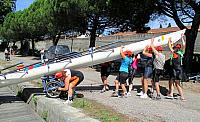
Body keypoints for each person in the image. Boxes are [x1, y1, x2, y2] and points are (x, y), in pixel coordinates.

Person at [167, 35, 186, 101]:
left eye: (176, 47)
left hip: (176, 70)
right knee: (173, 82)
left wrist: (169, 40)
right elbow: (183, 45)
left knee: (175, 83)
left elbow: (170, 46)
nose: (175, 48)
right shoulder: (180, 53)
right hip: (177, 69)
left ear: (177, 48)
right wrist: (181, 38)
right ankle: (173, 95)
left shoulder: (175, 52)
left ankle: (179, 96)